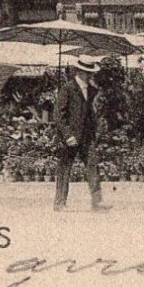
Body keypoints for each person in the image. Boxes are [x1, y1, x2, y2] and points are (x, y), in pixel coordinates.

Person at [53, 56, 106, 212]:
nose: (90, 76)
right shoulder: (67, 88)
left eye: (91, 73)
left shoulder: (92, 90)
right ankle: (60, 202)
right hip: (69, 138)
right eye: (87, 72)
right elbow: (58, 115)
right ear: (79, 71)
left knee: (92, 166)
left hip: (87, 136)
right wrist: (67, 135)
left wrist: (94, 132)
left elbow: (91, 114)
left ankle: (97, 202)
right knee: (64, 169)